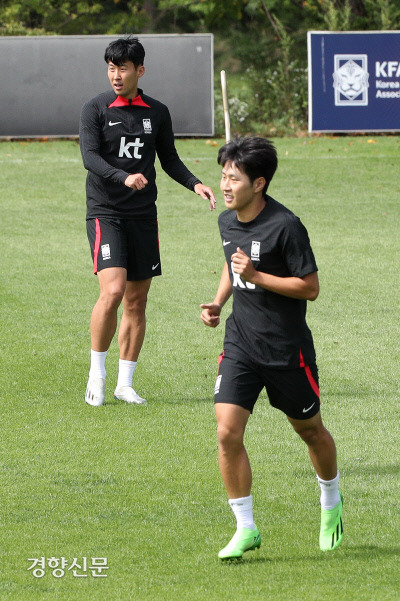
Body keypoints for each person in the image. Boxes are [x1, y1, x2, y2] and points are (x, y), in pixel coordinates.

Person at [200, 136, 343, 559]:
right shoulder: (227, 221)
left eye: (234, 178)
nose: (225, 185)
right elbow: (233, 264)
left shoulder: (286, 226)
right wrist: (218, 301)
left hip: (286, 350)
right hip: (241, 342)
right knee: (227, 431)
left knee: (311, 431)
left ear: (258, 183)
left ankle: (331, 502)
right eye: (223, 176)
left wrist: (259, 277)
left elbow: (310, 289)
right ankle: (245, 527)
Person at [80, 36, 216, 407]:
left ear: (140, 70)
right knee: (112, 291)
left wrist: (196, 184)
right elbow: (90, 157)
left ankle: (125, 383)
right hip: (106, 212)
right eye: (111, 68)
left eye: (123, 68)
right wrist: (123, 177)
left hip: (143, 215)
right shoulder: (95, 108)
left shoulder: (157, 112)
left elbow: (168, 159)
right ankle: (97, 374)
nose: (116, 75)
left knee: (137, 301)